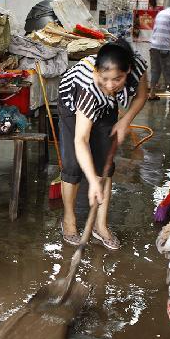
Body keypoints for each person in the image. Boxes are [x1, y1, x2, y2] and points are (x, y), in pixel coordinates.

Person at [57, 40, 148, 250]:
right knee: (72, 166)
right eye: (105, 78)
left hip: (106, 105)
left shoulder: (137, 67)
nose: (110, 84)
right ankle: (69, 220)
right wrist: (91, 181)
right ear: (97, 70)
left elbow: (142, 96)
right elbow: (81, 140)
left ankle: (101, 225)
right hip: (73, 106)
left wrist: (125, 121)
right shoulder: (88, 86)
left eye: (118, 79)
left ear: (128, 70)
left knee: (104, 164)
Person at [147, 3, 170, 101]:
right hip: (164, 48)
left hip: (153, 46)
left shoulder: (161, 13)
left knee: (155, 71)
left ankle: (152, 94)